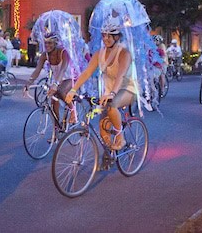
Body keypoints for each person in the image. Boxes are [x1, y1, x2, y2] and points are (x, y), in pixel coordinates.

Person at [65, 22, 136, 150]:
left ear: (117, 37)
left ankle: (121, 137)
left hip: (127, 90)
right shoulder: (99, 53)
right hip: (108, 93)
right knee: (103, 128)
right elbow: (86, 72)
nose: (106, 39)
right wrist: (73, 89)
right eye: (104, 35)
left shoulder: (124, 53)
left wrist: (113, 93)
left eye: (110, 36)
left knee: (112, 106)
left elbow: (120, 76)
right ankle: (109, 156)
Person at [26, 32, 76, 123]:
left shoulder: (63, 52)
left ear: (55, 43)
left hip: (70, 78)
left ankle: (73, 111)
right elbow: (37, 70)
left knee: (60, 91)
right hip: (57, 80)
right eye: (45, 43)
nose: (47, 45)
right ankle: (57, 130)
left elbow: (63, 69)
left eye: (50, 43)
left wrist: (56, 84)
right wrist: (28, 83)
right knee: (53, 104)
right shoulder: (45, 55)